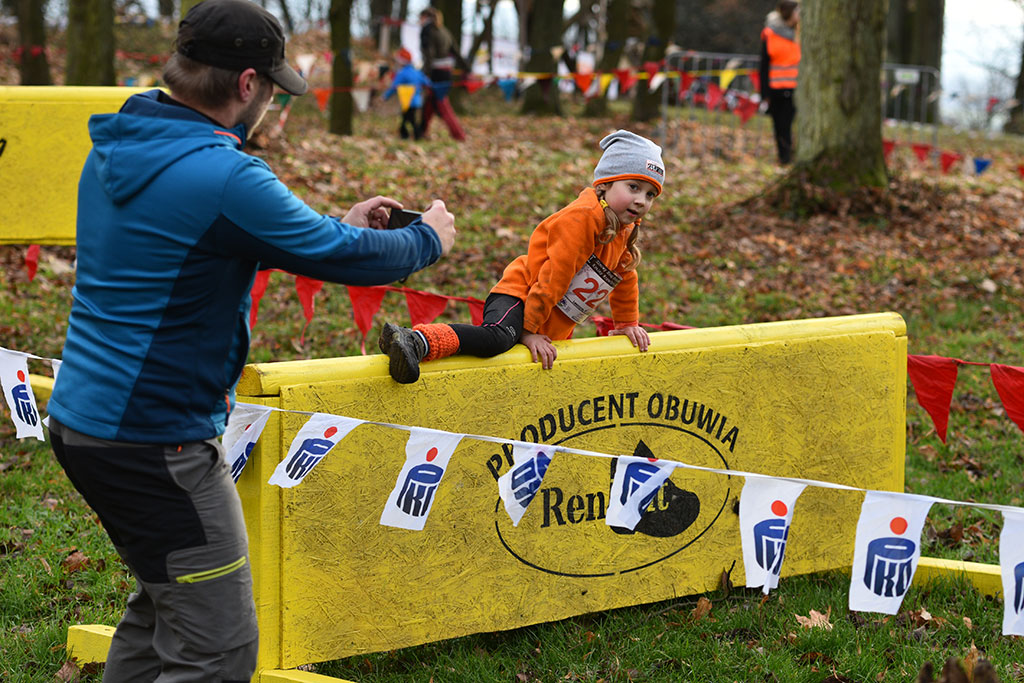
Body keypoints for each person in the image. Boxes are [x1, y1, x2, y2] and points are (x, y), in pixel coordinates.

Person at [44, 0, 456, 680]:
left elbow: (189, 246)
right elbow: (345, 256)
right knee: (220, 646)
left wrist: (332, 222)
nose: (271, 101)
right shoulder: (228, 175)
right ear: (245, 86)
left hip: (87, 422)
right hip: (157, 441)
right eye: (271, 87)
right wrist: (426, 238)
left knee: (165, 606)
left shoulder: (120, 145)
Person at [378, 129, 663, 384]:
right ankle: (415, 341)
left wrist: (627, 325)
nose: (641, 200)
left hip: (548, 318)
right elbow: (555, 276)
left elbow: (624, 278)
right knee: (498, 339)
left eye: (651, 194)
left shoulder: (624, 232)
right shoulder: (583, 219)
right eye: (633, 187)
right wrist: (528, 330)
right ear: (605, 185)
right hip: (521, 295)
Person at [759, 0, 801, 164]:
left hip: (795, 89)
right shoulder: (769, 34)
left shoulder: (800, 34)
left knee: (790, 125)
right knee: (780, 126)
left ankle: (789, 155)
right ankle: (784, 157)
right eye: (797, 12)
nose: (799, 16)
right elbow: (764, 65)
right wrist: (764, 93)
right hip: (776, 89)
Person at [418, 6, 467, 141]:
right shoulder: (444, 30)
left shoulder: (427, 30)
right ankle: (422, 131)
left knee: (442, 104)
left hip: (435, 72)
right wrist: (466, 68)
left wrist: (425, 73)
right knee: (429, 103)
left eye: (420, 18)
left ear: (424, 17)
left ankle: (458, 134)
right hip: (446, 71)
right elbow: (455, 51)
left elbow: (429, 54)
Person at [382, 46, 432, 140]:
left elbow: (394, 87)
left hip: (407, 101)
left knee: (410, 120)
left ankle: (415, 135)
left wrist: (385, 96)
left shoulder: (402, 73)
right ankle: (406, 134)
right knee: (406, 118)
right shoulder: (417, 72)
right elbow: (427, 82)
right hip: (417, 101)